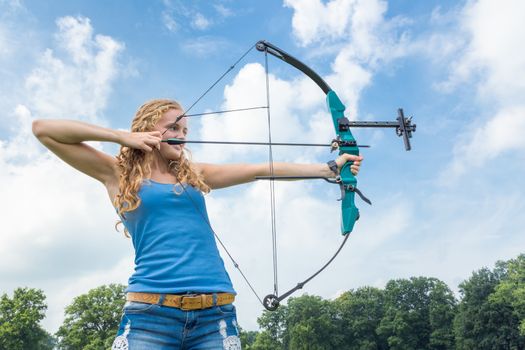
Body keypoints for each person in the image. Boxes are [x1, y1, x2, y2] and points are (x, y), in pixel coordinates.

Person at [32, 98, 363, 349]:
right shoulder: (116, 175)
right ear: (147, 129)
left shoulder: (193, 175)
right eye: (173, 128)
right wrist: (119, 136)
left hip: (214, 315)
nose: (181, 136)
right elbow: (43, 129)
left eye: (185, 131)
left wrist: (330, 169)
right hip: (149, 315)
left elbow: (260, 168)